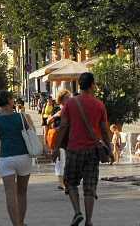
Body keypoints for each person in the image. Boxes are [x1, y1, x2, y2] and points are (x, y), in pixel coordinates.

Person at [52, 72, 110, 226]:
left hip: (74, 150)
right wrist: (109, 148)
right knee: (90, 187)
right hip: (92, 151)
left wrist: (56, 148)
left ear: (79, 85)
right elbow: (104, 130)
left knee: (70, 182)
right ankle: (89, 220)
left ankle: (77, 212)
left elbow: (63, 126)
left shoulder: (70, 103)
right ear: (92, 85)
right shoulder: (99, 105)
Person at [0, 90, 35, 226]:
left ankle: (16, 224)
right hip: (24, 157)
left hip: (6, 159)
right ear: (9, 101)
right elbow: (31, 134)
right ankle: (22, 222)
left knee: (10, 194)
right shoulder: (22, 117)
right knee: (22, 193)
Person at [46, 89, 71, 191]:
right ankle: (61, 183)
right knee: (60, 162)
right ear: (61, 99)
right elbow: (47, 121)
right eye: (67, 98)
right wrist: (57, 115)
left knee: (67, 162)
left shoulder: (70, 109)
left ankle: (66, 182)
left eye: (69, 98)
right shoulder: (56, 109)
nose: (69, 100)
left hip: (69, 138)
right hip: (58, 139)